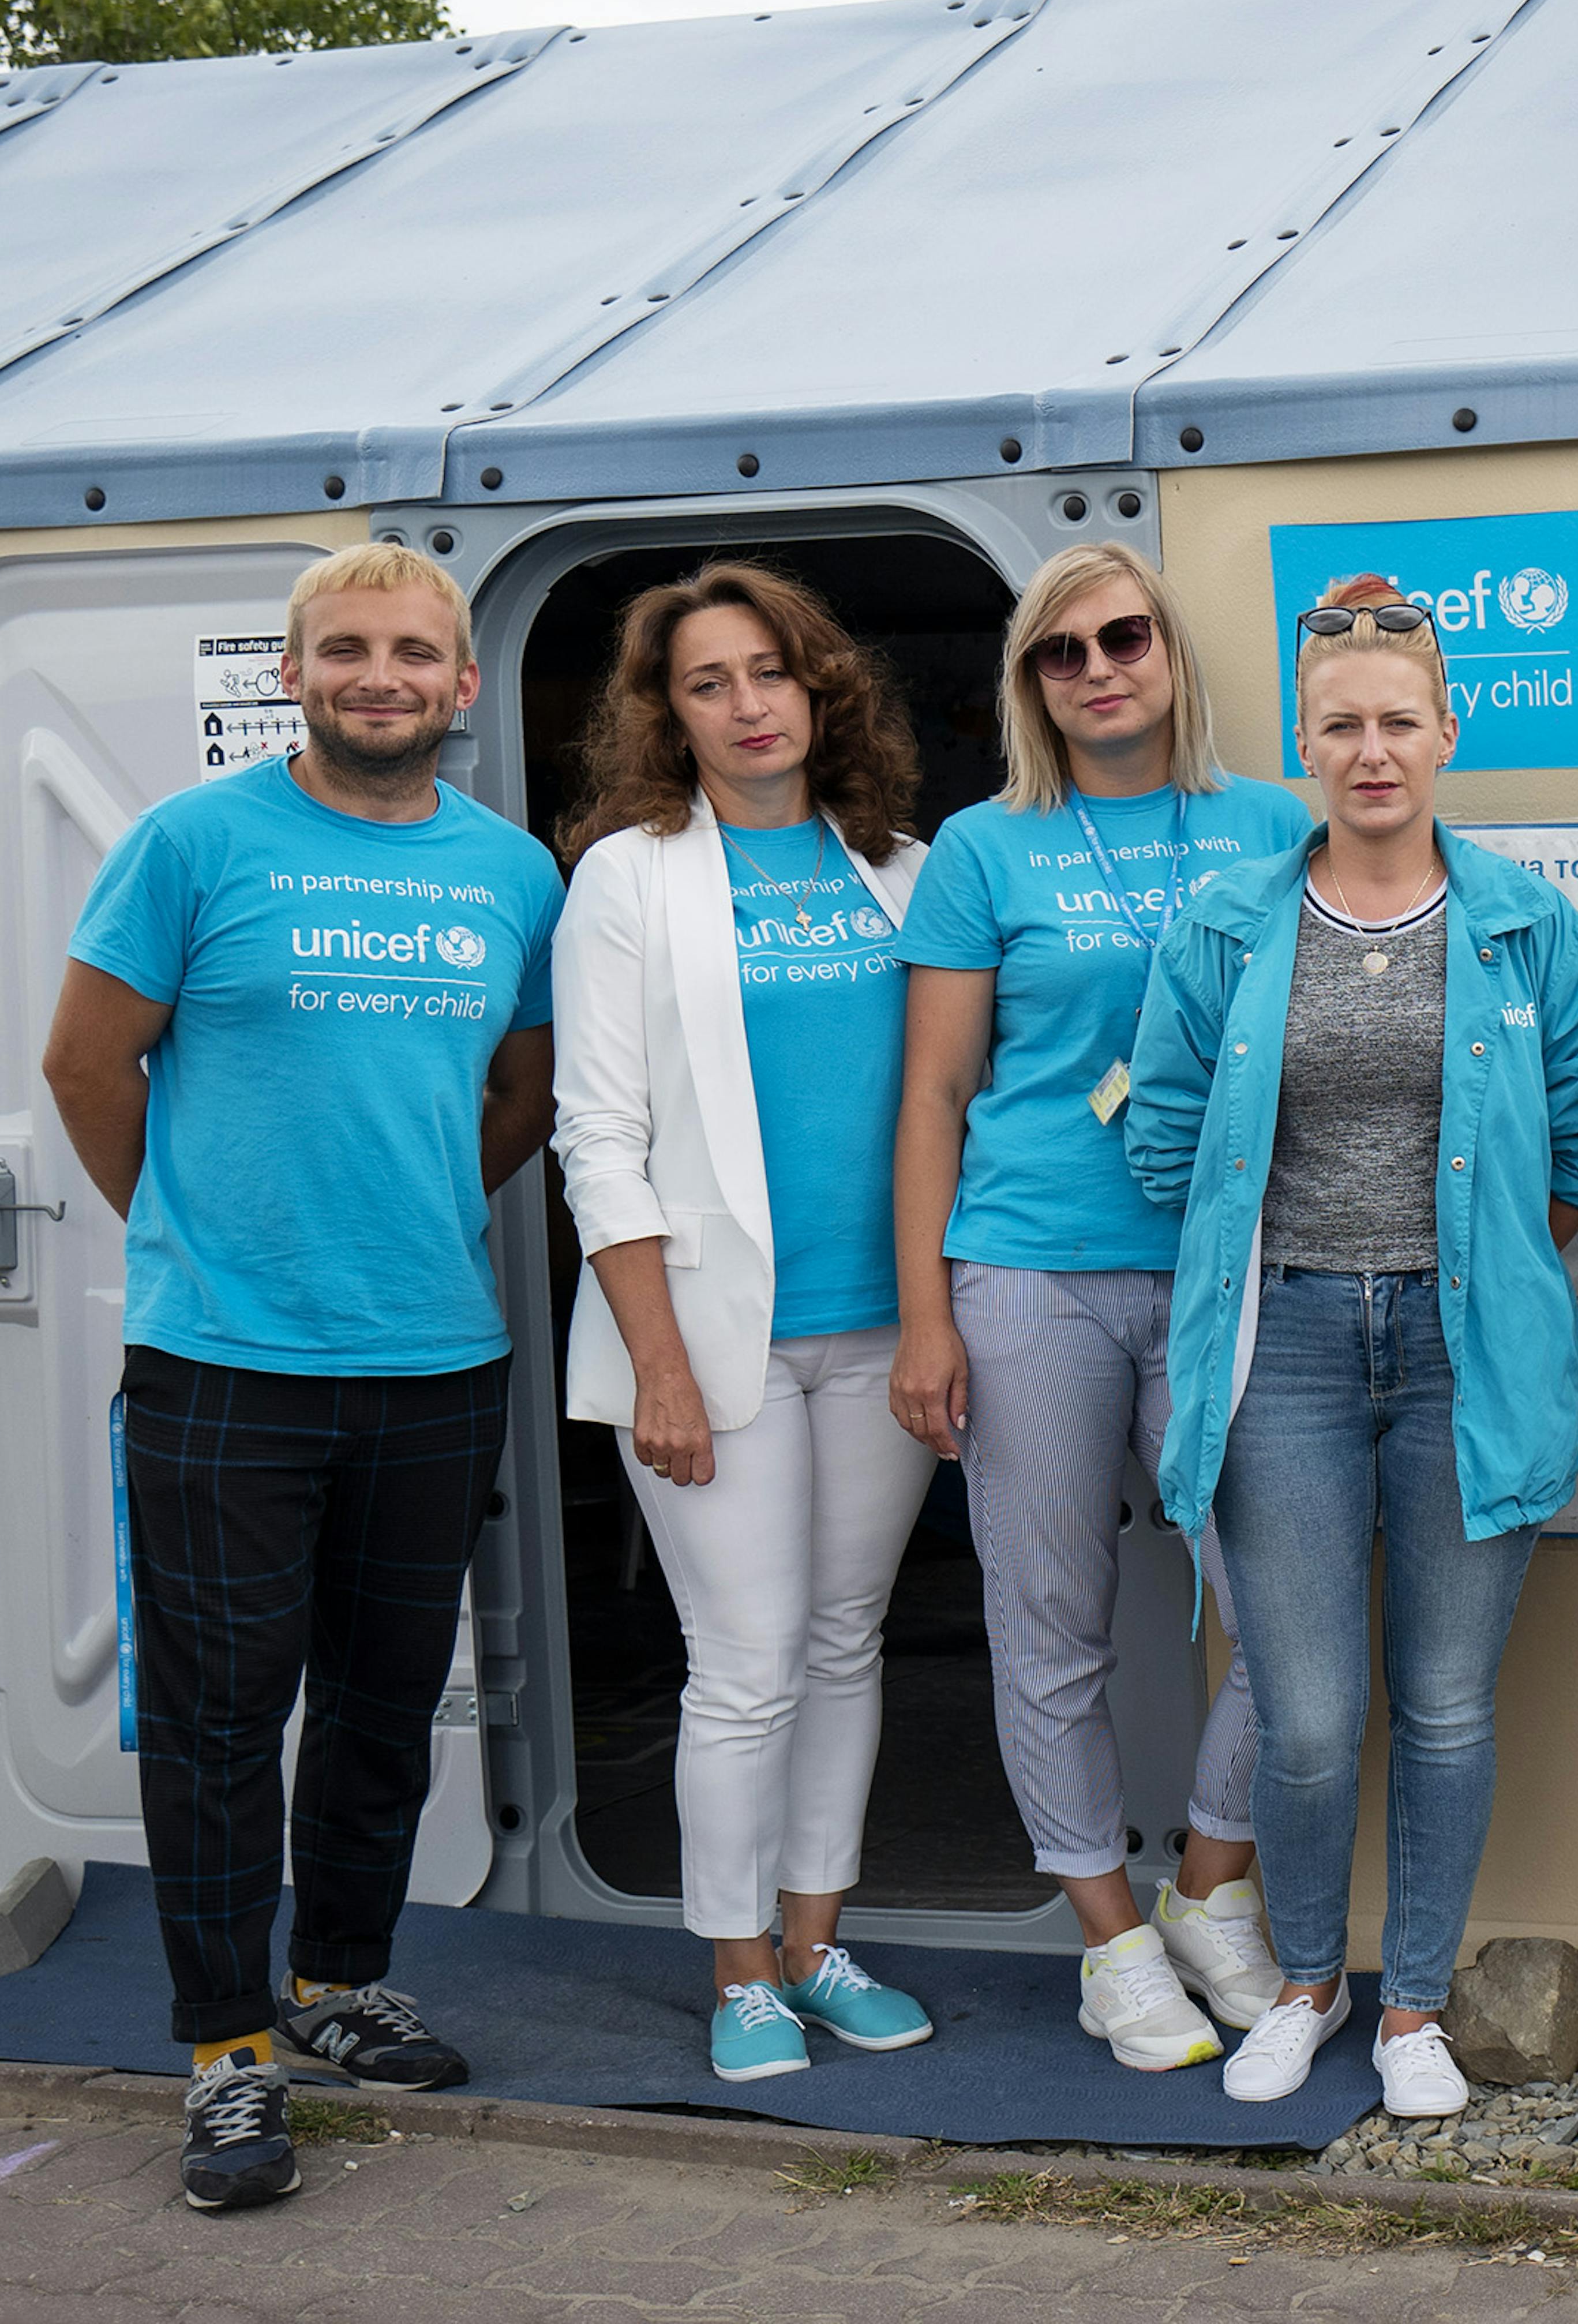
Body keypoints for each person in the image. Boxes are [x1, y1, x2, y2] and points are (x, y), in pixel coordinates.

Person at [38, 543, 566, 2211]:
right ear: (297, 674)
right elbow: (85, 1060)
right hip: (222, 1365)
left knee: (383, 1707)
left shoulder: (512, 876)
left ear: (463, 687)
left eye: (414, 651)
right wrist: (196, 1229)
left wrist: (391, 1213)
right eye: (346, 649)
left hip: (433, 1357)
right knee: (213, 1722)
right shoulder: (191, 845)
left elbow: (522, 1095)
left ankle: (337, 1986)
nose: (380, 676)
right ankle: (222, 2055)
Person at [1125, 575, 1578, 2109]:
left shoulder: (1526, 924)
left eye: (1398, 723)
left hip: (1462, 1355)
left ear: (1446, 734)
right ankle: (1306, 1982)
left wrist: (1481, 1267)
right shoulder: (1228, 920)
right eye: (1340, 725)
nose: (1370, 751)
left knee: (1448, 1705)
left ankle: (1414, 2008)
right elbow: (1163, 1137)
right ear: (1304, 740)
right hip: (1280, 1348)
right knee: (1306, 1719)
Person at [889, 543, 1315, 2067]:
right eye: (1059, 654)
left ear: (1172, 650)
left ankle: (1210, 1885)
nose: (1098, 669)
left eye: (1123, 636)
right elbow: (935, 1091)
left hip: (1231, 1275)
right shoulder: (982, 848)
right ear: (1030, 687)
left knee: (1292, 1605)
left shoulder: (1275, 826)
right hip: (1028, 1275)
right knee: (1048, 1626)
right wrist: (926, 1315)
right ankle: (1110, 1939)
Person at [550, 560, 944, 2082]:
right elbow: (599, 1139)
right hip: (709, 1348)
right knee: (749, 1657)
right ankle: (737, 1973)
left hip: (885, 1329)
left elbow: (961, 1093)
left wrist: (942, 1320)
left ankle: (815, 1940)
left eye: (769, 671)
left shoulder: (902, 867)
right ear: (669, 716)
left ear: (818, 684)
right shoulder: (628, 878)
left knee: (848, 1642)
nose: (747, 704)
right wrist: (656, 1360)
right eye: (708, 683)